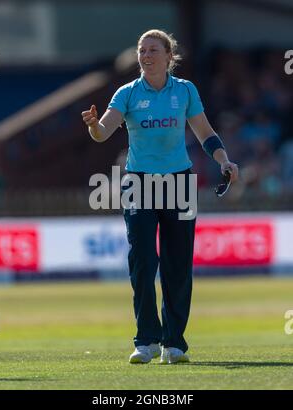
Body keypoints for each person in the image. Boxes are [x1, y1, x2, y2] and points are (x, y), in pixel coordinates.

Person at [82, 29, 238, 364]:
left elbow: (205, 132)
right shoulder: (126, 93)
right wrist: (94, 126)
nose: (146, 55)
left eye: (153, 50)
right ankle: (146, 341)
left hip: (179, 183)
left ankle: (174, 343)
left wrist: (224, 160)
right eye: (142, 50)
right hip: (139, 183)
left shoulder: (184, 91)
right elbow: (103, 132)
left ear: (169, 56)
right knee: (142, 261)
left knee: (177, 264)